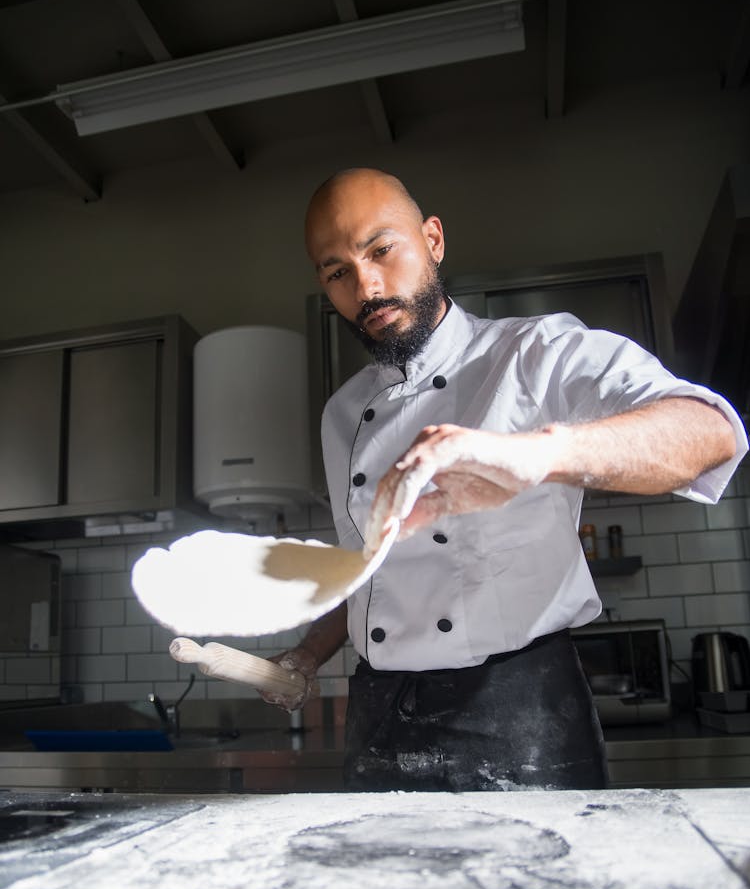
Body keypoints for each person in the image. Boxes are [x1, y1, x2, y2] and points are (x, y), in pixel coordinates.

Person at [265, 167, 746, 792]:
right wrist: (306, 656)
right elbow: (371, 571)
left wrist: (542, 454)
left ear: (433, 240)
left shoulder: (535, 354)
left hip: (519, 715)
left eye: (381, 250)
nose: (368, 286)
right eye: (337, 272)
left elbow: (710, 433)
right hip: (379, 718)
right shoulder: (342, 414)